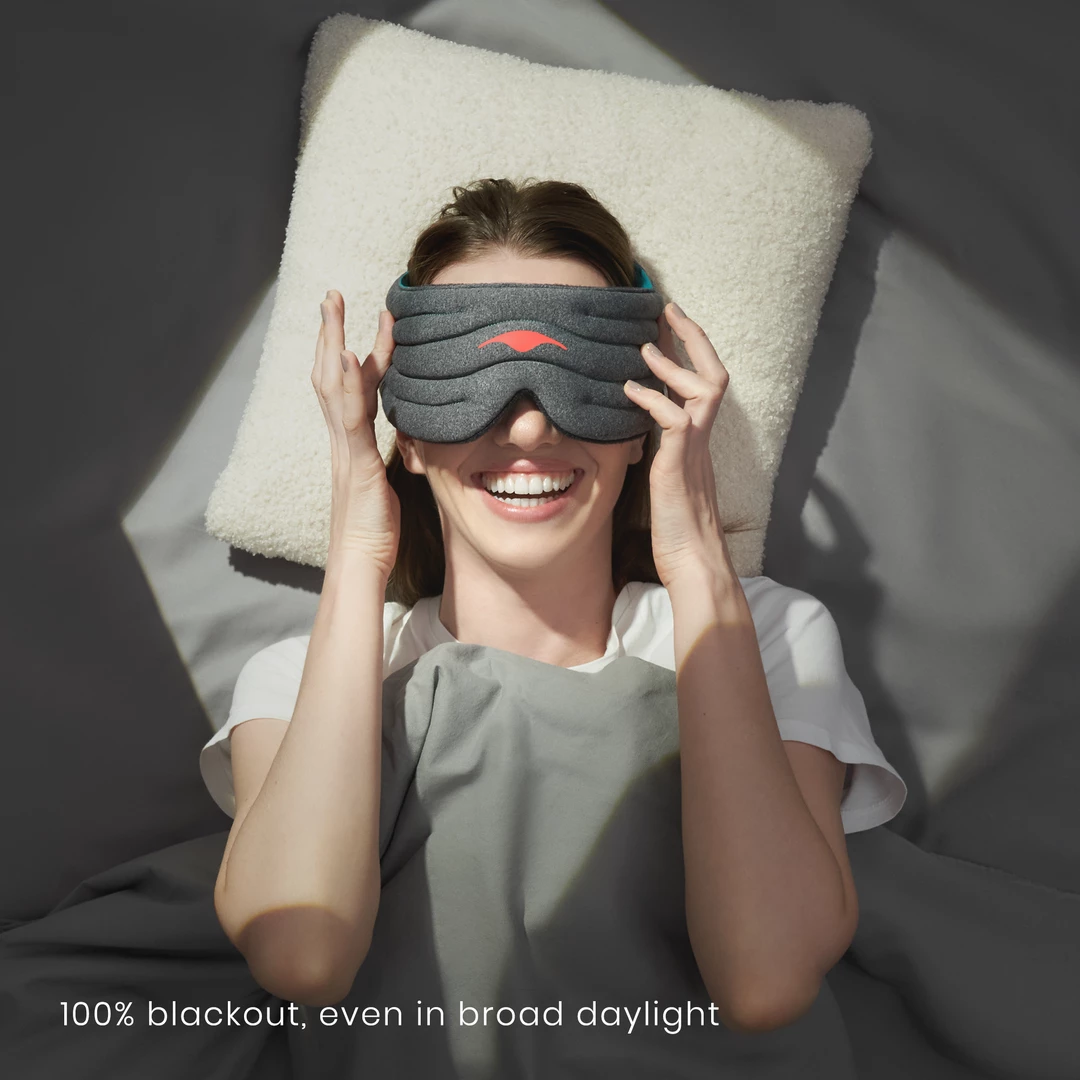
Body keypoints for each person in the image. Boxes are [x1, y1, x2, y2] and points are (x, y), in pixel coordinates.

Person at [201, 177, 906, 1075]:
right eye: (468, 381)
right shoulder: (306, 675)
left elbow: (765, 980)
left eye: (580, 378)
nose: (528, 424)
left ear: (642, 421)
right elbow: (302, 957)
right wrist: (355, 550)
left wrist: (696, 561)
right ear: (407, 434)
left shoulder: (763, 636)